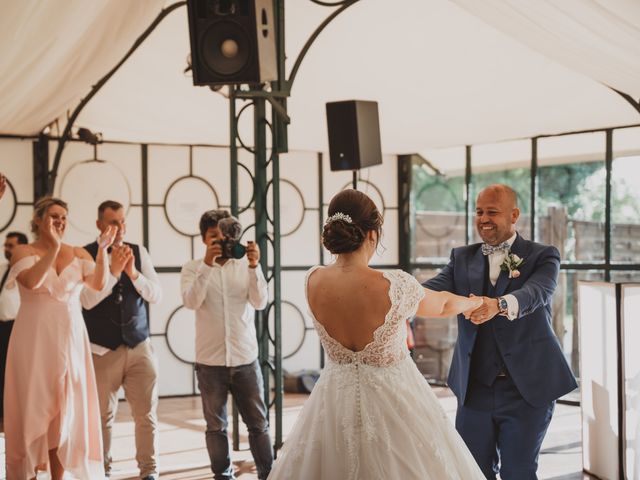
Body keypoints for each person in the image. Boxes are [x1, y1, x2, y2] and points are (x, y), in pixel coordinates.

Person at [268, 189, 485, 480]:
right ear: (372, 234)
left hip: (333, 399)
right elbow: (444, 303)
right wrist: (476, 302)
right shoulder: (393, 284)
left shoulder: (313, 279)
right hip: (395, 403)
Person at [423, 184, 578, 480]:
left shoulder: (543, 255)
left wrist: (499, 304)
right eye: (479, 212)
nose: (483, 218)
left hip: (527, 389)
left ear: (514, 214)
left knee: (518, 472)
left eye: (492, 212)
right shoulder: (461, 257)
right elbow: (427, 290)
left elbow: (537, 293)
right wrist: (388, 291)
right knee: (472, 472)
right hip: (474, 389)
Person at [4, 197, 115, 479]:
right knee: (33, 404)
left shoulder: (78, 253)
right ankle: (26, 472)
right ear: (39, 220)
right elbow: (31, 282)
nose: (60, 222)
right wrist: (52, 249)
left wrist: (102, 251)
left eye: (64, 217)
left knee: (67, 410)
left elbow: (98, 284)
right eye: (54, 216)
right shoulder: (22, 252)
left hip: (70, 338)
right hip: (34, 340)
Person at [181, 210, 273, 480]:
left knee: (258, 424)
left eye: (224, 237)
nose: (221, 242)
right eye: (213, 238)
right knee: (216, 427)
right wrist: (207, 266)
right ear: (203, 239)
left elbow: (260, 302)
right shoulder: (192, 268)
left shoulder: (245, 264)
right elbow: (191, 302)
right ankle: (223, 476)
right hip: (210, 362)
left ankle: (269, 474)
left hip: (245, 357)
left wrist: (255, 267)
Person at [80, 200, 162, 480]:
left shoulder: (139, 252)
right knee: (102, 418)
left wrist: (133, 274)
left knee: (146, 415)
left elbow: (156, 294)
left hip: (140, 346)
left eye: (123, 221)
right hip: (102, 350)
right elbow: (87, 301)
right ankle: (102, 470)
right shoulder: (85, 254)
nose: (120, 228)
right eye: (113, 222)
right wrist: (114, 272)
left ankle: (149, 471)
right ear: (100, 225)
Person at [0, 231, 28, 418]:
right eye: (6, 245)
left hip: (19, 327)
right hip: (1, 327)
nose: (7, 249)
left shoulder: (28, 270)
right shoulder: (2, 268)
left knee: (17, 372)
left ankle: (16, 413)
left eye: (11, 245)